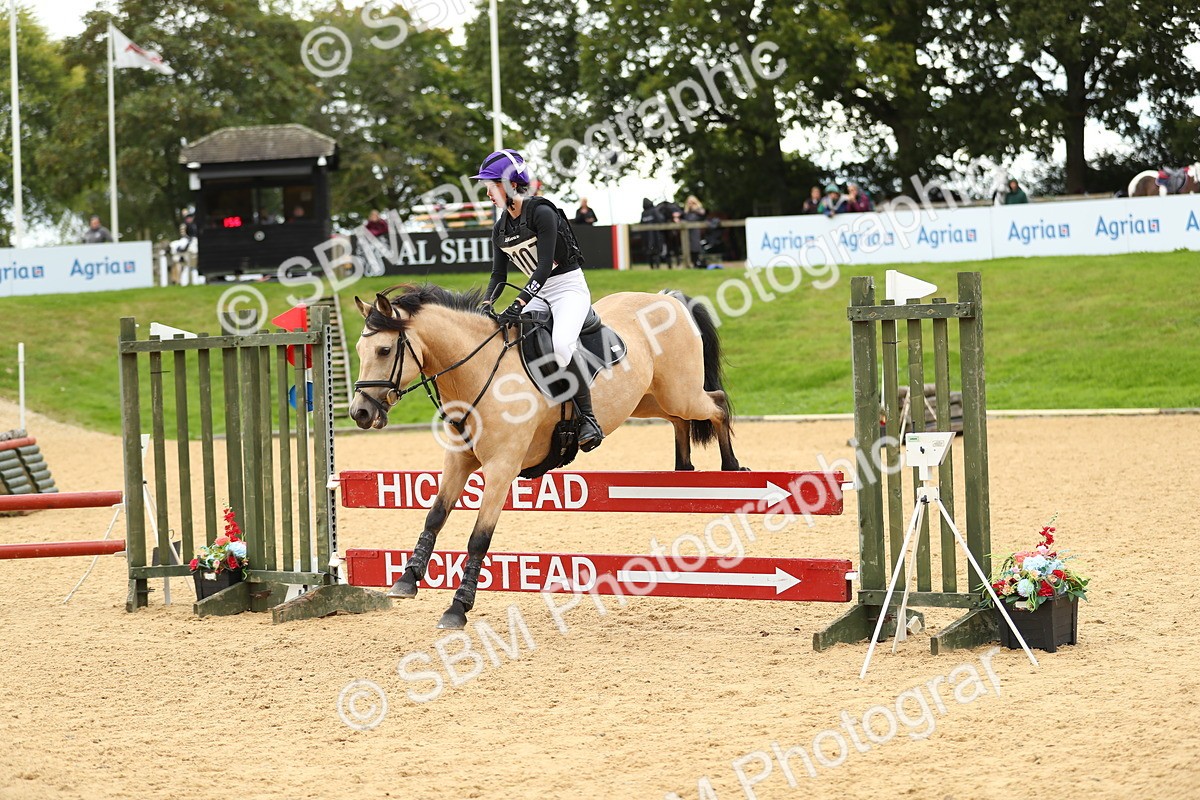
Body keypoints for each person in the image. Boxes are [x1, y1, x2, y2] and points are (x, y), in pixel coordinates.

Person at [475, 149, 603, 452]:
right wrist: (485, 304)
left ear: (508, 185)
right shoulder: (500, 228)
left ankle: (589, 418)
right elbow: (497, 276)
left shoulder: (541, 212)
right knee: (510, 341)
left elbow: (544, 266)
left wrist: (517, 305)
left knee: (561, 345)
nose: (487, 192)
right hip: (539, 293)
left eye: (490, 185)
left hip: (568, 289)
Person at [682, 195, 707, 268]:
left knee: (695, 247)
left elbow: (702, 214)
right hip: (688, 232)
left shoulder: (699, 210)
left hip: (696, 231)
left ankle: (697, 263)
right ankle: (693, 263)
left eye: (691, 202)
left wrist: (694, 209)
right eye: (689, 203)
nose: (690, 204)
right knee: (689, 247)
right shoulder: (686, 212)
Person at [639, 198, 664, 269]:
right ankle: (657, 266)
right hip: (656, 235)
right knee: (657, 251)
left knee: (649, 252)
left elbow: (641, 225)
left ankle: (652, 267)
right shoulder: (654, 211)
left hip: (646, 237)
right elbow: (660, 220)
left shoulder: (643, 213)